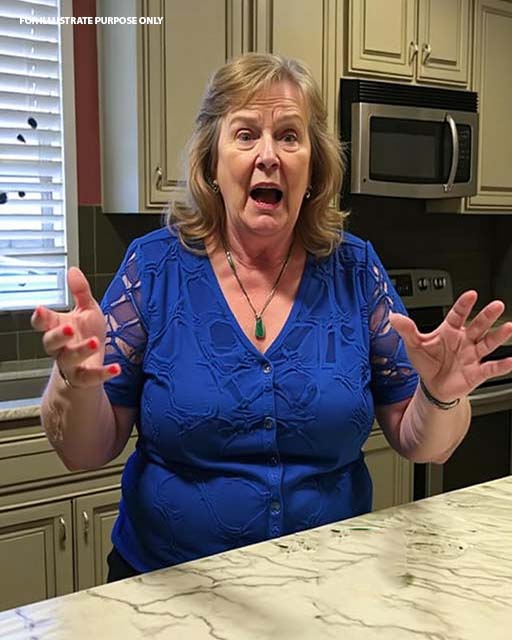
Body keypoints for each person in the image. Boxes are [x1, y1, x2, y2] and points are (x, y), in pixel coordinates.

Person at [32, 53, 512, 582]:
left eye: (288, 136)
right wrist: (73, 382)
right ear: (212, 163)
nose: (268, 156)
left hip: (326, 584)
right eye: (245, 135)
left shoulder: (356, 271)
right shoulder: (153, 270)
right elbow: (85, 452)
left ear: (314, 167)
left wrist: (440, 394)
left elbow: (423, 443)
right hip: (168, 588)